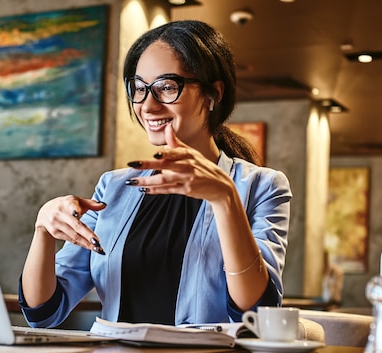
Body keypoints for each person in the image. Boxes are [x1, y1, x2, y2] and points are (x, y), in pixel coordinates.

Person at [19, 20, 292, 327]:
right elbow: (43, 312)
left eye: (166, 87)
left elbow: (254, 313)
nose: (148, 105)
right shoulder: (113, 188)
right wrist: (43, 229)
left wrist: (224, 197)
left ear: (213, 93)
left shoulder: (262, 186)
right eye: (139, 88)